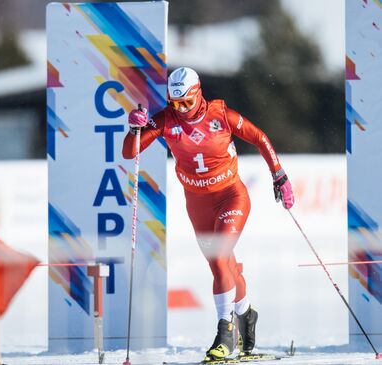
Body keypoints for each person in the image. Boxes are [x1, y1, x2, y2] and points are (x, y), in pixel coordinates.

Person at [122, 67, 294, 362]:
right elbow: (129, 152)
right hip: (197, 203)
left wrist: (278, 174)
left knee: (218, 255)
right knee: (223, 266)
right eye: (176, 104)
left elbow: (259, 137)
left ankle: (225, 333)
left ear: (198, 94)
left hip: (231, 196)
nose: (182, 110)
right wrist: (135, 128)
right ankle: (246, 313)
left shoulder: (220, 115)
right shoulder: (166, 119)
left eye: (187, 103)